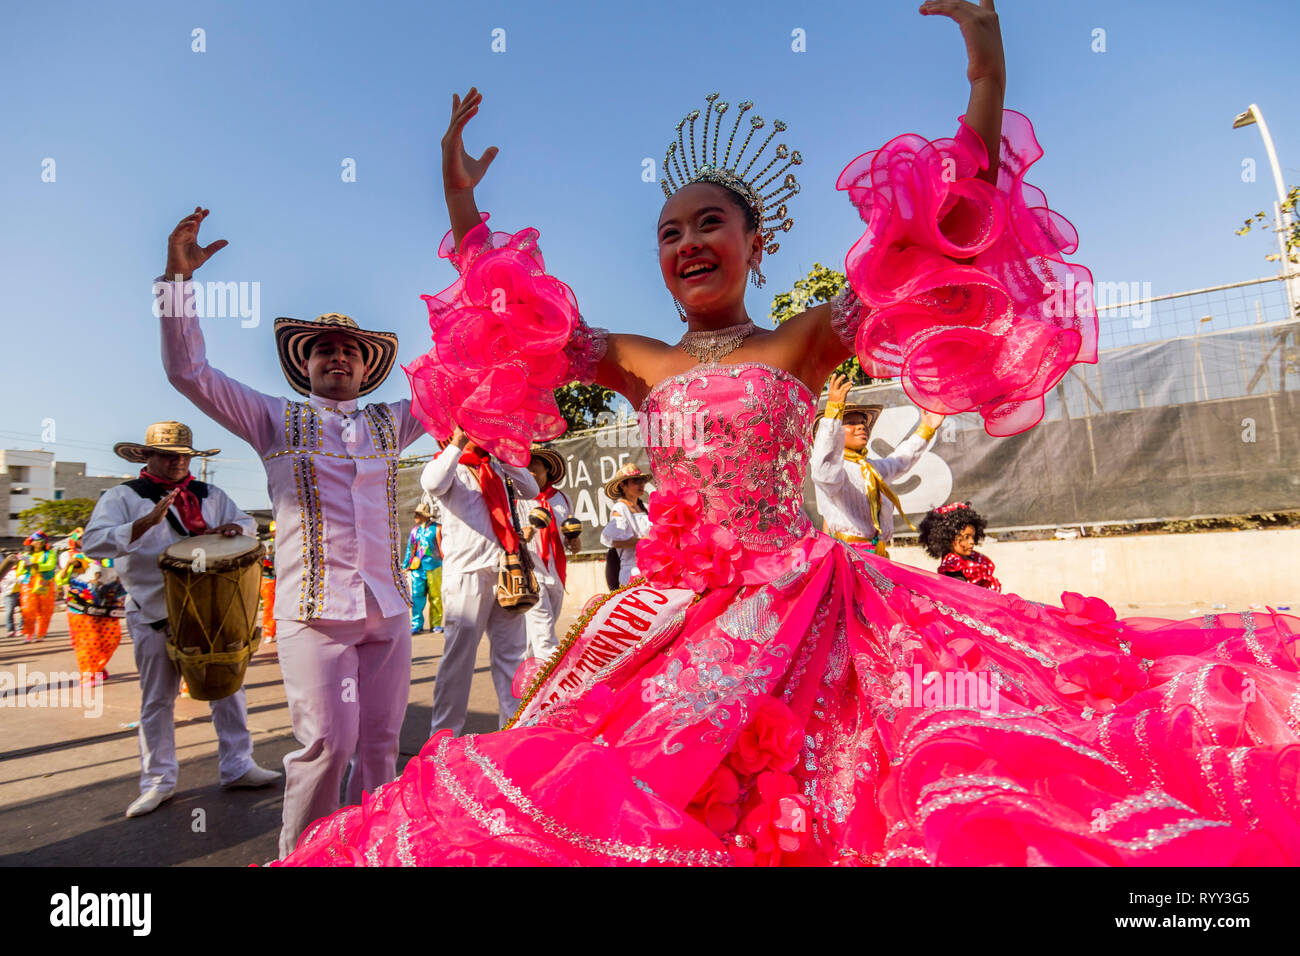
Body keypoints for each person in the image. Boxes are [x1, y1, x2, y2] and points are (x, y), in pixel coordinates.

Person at [278, 4, 1300, 867]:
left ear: (756, 243)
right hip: (668, 617)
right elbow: (512, 327)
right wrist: (464, 212)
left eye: (709, 224)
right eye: (669, 232)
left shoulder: (804, 340)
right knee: (601, 783)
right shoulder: (637, 359)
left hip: (802, 607)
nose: (687, 243)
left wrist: (985, 66)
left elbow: (940, 239)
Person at [154, 210, 428, 856]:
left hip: (387, 615)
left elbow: (459, 374)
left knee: (383, 750)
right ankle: (304, 857)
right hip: (312, 614)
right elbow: (189, 373)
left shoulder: (395, 421)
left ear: (368, 370)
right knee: (327, 748)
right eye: (324, 349)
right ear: (304, 366)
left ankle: (375, 854)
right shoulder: (274, 420)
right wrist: (177, 283)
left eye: (350, 351)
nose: (338, 355)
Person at [82, 421, 281, 817]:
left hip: (212, 611)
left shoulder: (209, 494)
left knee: (229, 691)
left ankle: (238, 765)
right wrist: (141, 525)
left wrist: (232, 528)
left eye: (183, 456)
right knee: (158, 699)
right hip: (154, 610)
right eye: (169, 456)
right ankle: (157, 781)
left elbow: (246, 526)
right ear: (148, 456)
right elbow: (92, 542)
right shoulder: (123, 497)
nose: (177, 463)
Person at [420, 427, 538, 735]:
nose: (478, 431)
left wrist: (503, 449)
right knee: (458, 661)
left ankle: (514, 732)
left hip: (506, 572)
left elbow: (531, 488)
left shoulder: (497, 465)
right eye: (470, 425)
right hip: (466, 575)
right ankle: (443, 738)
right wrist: (458, 443)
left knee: (512, 657)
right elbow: (432, 484)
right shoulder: (448, 465)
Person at [811, 373, 943, 557]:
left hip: (878, 556)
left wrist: (926, 430)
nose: (861, 427)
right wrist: (833, 411)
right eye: (850, 423)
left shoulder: (871, 468)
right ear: (834, 432)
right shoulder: (834, 471)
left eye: (863, 422)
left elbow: (901, 460)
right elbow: (823, 469)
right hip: (848, 558)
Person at [517, 446, 579, 659]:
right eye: (525, 463)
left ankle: (525, 679)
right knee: (544, 633)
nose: (528, 468)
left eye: (534, 463)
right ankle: (551, 681)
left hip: (557, 573)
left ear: (547, 468)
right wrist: (520, 536)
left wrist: (574, 543)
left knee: (537, 631)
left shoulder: (562, 499)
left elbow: (569, 537)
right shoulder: (517, 497)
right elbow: (506, 533)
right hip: (530, 571)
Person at [63, 557, 126, 685]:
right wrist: (69, 564)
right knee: (88, 642)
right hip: (81, 609)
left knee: (112, 639)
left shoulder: (117, 556)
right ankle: (88, 673)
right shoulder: (78, 558)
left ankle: (97, 667)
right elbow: (61, 579)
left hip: (108, 608)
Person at [919, 500, 1001, 591]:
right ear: (948, 538)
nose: (972, 542)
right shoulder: (953, 565)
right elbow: (962, 594)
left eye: (973, 537)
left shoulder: (973, 558)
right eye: (966, 537)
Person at [599, 464, 650, 588]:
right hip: (632, 572)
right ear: (623, 485)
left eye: (642, 481)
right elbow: (616, 542)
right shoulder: (620, 508)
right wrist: (648, 541)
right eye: (636, 481)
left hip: (650, 569)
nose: (641, 485)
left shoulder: (644, 507)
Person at [404, 499, 443, 635]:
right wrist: (405, 566)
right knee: (417, 596)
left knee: (435, 596)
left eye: (417, 514)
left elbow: (444, 546)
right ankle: (416, 624)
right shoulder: (414, 532)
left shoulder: (437, 529)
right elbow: (410, 549)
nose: (415, 517)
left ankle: (436, 624)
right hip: (418, 568)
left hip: (434, 566)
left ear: (424, 516)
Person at [16, 533, 59, 642]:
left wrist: (34, 565)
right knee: (27, 609)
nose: (40, 542)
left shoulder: (49, 554)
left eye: (42, 540)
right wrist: (25, 565)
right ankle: (28, 634)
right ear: (32, 542)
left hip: (44, 582)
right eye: (37, 540)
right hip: (28, 583)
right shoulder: (26, 554)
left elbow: (50, 565)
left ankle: (41, 634)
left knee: (45, 609)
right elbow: (20, 570)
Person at [259, 521, 277, 643]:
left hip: (283, 578)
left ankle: (279, 631)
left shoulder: (287, 541)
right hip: (268, 578)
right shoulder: (267, 543)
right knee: (268, 606)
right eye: (274, 531)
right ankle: (268, 632)